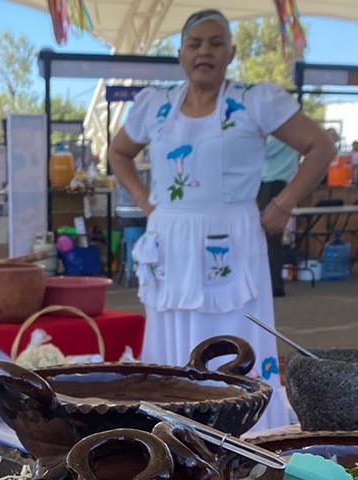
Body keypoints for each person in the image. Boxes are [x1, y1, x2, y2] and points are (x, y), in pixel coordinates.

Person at [107, 8, 335, 431]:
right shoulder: (154, 106)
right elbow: (118, 152)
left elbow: (319, 146)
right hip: (170, 239)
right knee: (172, 336)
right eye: (195, 44)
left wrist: (284, 203)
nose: (204, 52)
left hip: (231, 237)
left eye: (215, 43)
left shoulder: (254, 101)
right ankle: (169, 430)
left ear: (231, 52)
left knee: (235, 331)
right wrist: (144, 199)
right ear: (180, 54)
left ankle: (243, 433)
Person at [257, 136, 299, 297]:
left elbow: (263, 150)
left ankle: (273, 284)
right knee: (272, 239)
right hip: (280, 182)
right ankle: (274, 283)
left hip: (271, 182)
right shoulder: (293, 137)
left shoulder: (280, 135)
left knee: (269, 238)